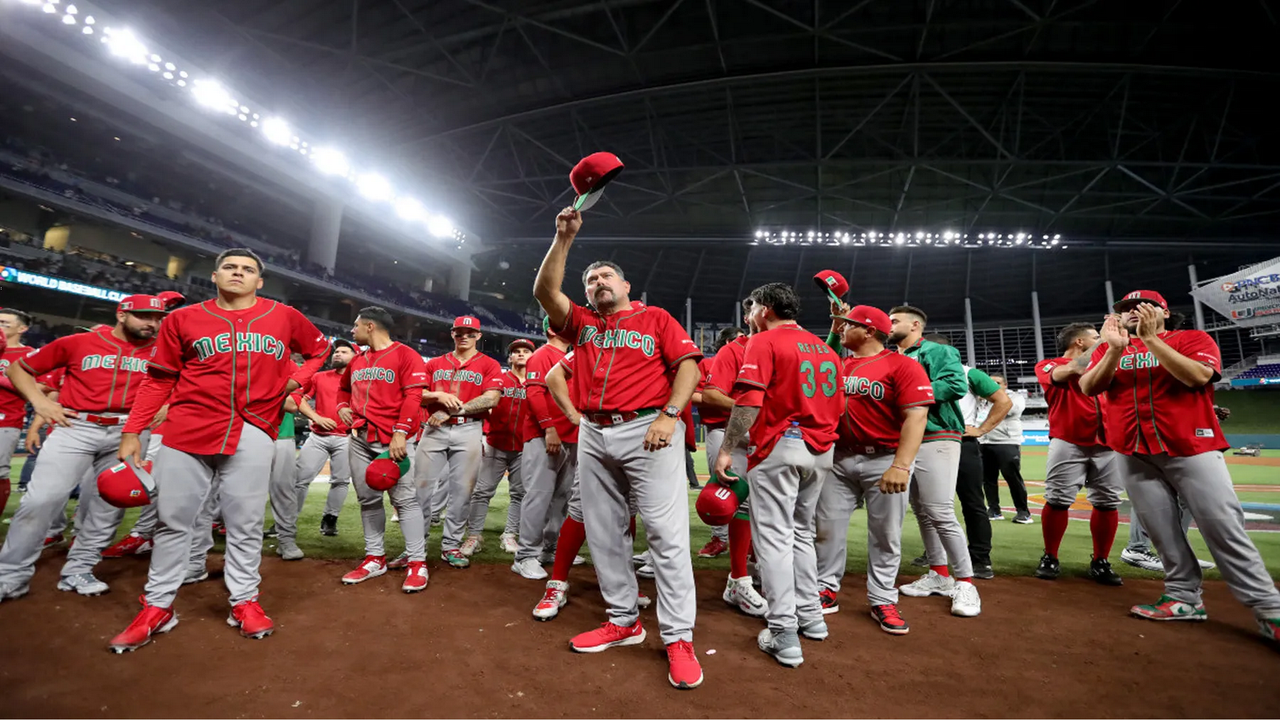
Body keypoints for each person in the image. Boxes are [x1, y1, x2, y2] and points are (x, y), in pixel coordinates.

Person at [107, 249, 329, 652]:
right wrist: (133, 429)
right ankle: (158, 605)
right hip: (187, 427)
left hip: (253, 428)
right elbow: (158, 379)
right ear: (214, 275)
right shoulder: (181, 318)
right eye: (230, 267)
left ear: (259, 281)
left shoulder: (283, 315)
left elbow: (318, 349)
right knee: (174, 522)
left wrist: (295, 380)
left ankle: (244, 600)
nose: (238, 273)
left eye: (248, 270)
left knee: (244, 523)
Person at [533, 206, 705, 690]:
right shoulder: (584, 325)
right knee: (605, 532)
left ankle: (678, 637)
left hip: (648, 428)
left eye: (606, 276)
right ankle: (623, 620)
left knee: (666, 537)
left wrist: (671, 415)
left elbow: (689, 367)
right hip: (594, 430)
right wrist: (563, 240)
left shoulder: (656, 318)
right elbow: (545, 292)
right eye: (590, 280)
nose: (597, 283)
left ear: (627, 287)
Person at [1080, 290, 1279, 642]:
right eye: (1125, 309)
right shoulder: (1110, 348)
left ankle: (1269, 609)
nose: (1133, 312)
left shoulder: (1192, 338)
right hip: (1132, 451)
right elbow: (1089, 385)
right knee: (1162, 531)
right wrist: (1113, 349)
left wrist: (1152, 340)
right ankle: (1183, 598)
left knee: (1222, 528)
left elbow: (1198, 377)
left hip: (1192, 446)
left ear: (1165, 313)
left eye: (1143, 306)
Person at [0, 296, 166, 602]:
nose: (152, 323)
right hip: (76, 427)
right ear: (121, 314)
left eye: (157, 318)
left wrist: (167, 403)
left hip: (129, 431)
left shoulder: (162, 350)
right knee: (41, 500)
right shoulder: (78, 342)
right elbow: (18, 370)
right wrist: (40, 402)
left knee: (107, 507)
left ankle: (79, 567)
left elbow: (183, 381)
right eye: (143, 316)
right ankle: (10, 575)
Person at [712, 283, 842, 667]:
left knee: (773, 541)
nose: (749, 317)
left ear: (765, 309)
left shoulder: (764, 341)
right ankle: (812, 618)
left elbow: (750, 398)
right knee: (802, 534)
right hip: (821, 450)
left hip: (780, 445)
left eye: (751, 309)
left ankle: (783, 631)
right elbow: (840, 406)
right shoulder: (826, 349)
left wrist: (726, 448)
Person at [815, 303, 932, 635]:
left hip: (884, 457)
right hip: (838, 458)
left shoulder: (902, 366)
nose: (840, 328)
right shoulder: (835, 365)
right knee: (826, 529)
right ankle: (825, 588)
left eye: (848, 324)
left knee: (885, 534)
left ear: (868, 330)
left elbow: (916, 416)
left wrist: (901, 465)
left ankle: (882, 597)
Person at [888, 307, 982, 617]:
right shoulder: (893, 358)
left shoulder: (937, 350)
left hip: (937, 433)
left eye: (895, 321)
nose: (889, 326)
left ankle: (966, 582)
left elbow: (955, 384)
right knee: (923, 512)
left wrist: (908, 396)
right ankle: (940, 575)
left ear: (915, 325)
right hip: (904, 438)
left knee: (940, 510)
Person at [336, 307, 429, 590]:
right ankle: (374, 557)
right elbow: (342, 389)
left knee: (405, 500)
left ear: (370, 326)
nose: (352, 331)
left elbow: (414, 396)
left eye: (356, 326)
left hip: (393, 440)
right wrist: (341, 406)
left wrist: (401, 432)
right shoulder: (358, 359)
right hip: (360, 438)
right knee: (368, 500)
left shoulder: (406, 355)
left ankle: (417, 562)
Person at [1033, 322, 1124, 585]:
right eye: (1096, 336)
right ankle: (1050, 556)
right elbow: (1072, 370)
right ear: (1080, 343)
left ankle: (1101, 560)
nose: (1103, 338)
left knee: (1108, 502)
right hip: (1068, 440)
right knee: (1058, 499)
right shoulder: (1049, 364)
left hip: (1109, 442)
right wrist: (1107, 343)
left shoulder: (1105, 362)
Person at [411, 316, 503, 570]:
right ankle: (415, 546)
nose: (464, 336)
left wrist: (453, 411)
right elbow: (416, 394)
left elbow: (492, 398)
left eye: (470, 332)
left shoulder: (490, 364)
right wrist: (438, 394)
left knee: (462, 491)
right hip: (434, 430)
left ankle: (451, 545)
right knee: (420, 489)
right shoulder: (435, 364)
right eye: (459, 332)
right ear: (452, 334)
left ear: (478, 336)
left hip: (469, 430)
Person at [700, 313, 768, 616]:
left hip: (776, 434)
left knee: (775, 508)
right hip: (729, 432)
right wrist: (754, 408)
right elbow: (710, 394)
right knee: (728, 499)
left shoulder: (787, 345)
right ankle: (738, 577)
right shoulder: (732, 351)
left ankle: (759, 568)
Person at [514, 319, 578, 579]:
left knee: (563, 498)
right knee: (538, 496)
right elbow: (535, 394)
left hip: (572, 436)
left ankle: (550, 549)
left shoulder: (572, 356)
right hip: (545, 436)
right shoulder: (542, 355)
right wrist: (549, 427)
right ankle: (525, 555)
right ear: (552, 329)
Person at [464, 338, 533, 556]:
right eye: (516, 351)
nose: (521, 354)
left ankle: (510, 534)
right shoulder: (499, 380)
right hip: (496, 444)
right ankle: (474, 535)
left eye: (526, 351)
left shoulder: (536, 383)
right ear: (510, 357)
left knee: (519, 493)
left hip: (524, 447)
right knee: (482, 491)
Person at [294, 340, 357, 537]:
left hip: (346, 438)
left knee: (340, 481)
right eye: (336, 351)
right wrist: (316, 417)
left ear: (355, 357)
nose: (337, 354)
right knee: (299, 479)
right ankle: (286, 520)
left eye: (344, 351)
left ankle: (330, 519)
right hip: (318, 436)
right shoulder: (319, 377)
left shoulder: (359, 380)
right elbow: (298, 400)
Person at [692, 325, 746, 560]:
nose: (745, 342)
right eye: (739, 339)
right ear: (726, 343)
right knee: (721, 484)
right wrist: (731, 402)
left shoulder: (756, 360)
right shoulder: (708, 364)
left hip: (754, 430)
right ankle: (720, 538)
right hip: (720, 429)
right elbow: (692, 393)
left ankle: (750, 543)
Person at [977, 373, 1028, 524]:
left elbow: (1009, 409)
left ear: (1005, 385)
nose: (994, 385)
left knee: (1012, 478)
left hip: (1006, 441)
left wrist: (992, 399)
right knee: (988, 479)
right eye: (991, 383)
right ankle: (994, 509)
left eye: (998, 383)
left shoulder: (1015, 397)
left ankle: (1023, 512)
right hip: (984, 441)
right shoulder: (981, 398)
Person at [0, 308, 37, 516]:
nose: (0, 326)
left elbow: (35, 389)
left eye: (5, 323)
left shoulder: (28, 355)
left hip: (5, 420)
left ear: (22, 328)